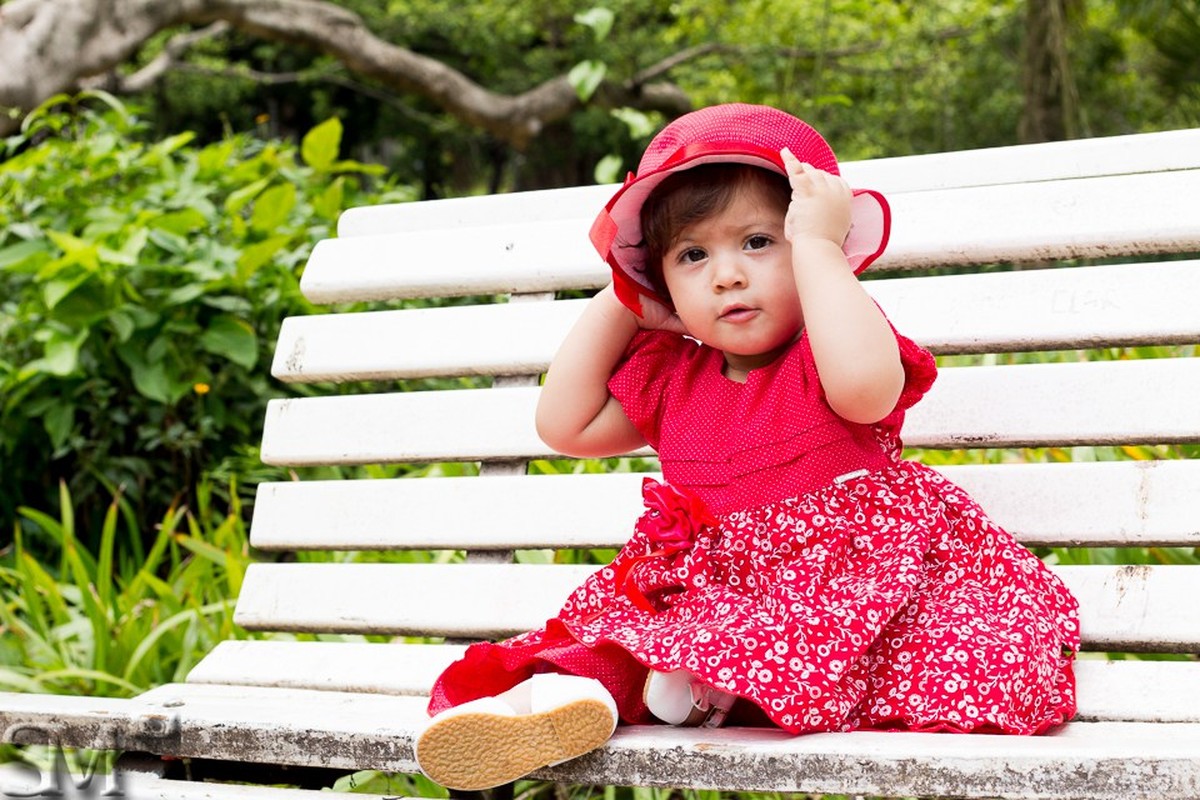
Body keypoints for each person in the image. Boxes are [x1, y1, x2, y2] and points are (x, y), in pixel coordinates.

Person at [413, 103, 1080, 791]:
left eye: (759, 241)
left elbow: (867, 392)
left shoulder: (831, 347)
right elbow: (565, 426)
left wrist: (820, 250)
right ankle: (550, 708)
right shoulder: (675, 378)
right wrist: (624, 297)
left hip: (842, 595)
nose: (726, 275)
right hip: (717, 599)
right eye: (692, 255)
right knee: (615, 643)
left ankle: (699, 689)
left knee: (945, 650)